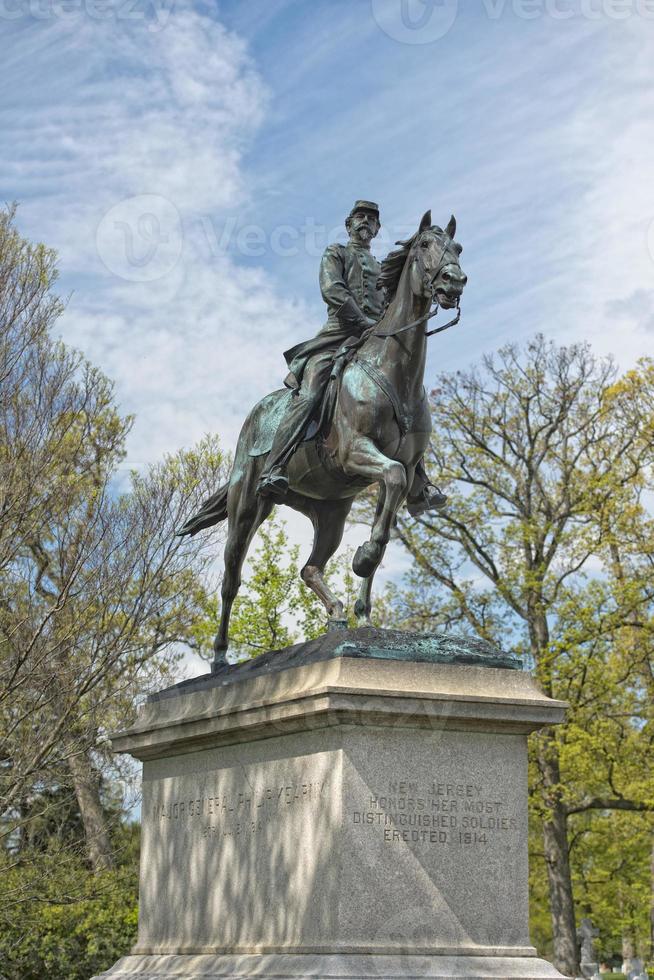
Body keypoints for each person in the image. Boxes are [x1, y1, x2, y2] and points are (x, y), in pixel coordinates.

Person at [257, 200, 447, 515]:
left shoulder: (383, 267)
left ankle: (418, 484)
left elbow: (395, 304)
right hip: (338, 338)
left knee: (405, 397)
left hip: (375, 342)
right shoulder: (337, 253)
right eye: (360, 218)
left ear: (377, 229)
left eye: (372, 220)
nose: (366, 223)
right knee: (312, 388)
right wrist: (363, 323)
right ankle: (274, 465)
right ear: (349, 225)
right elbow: (333, 291)